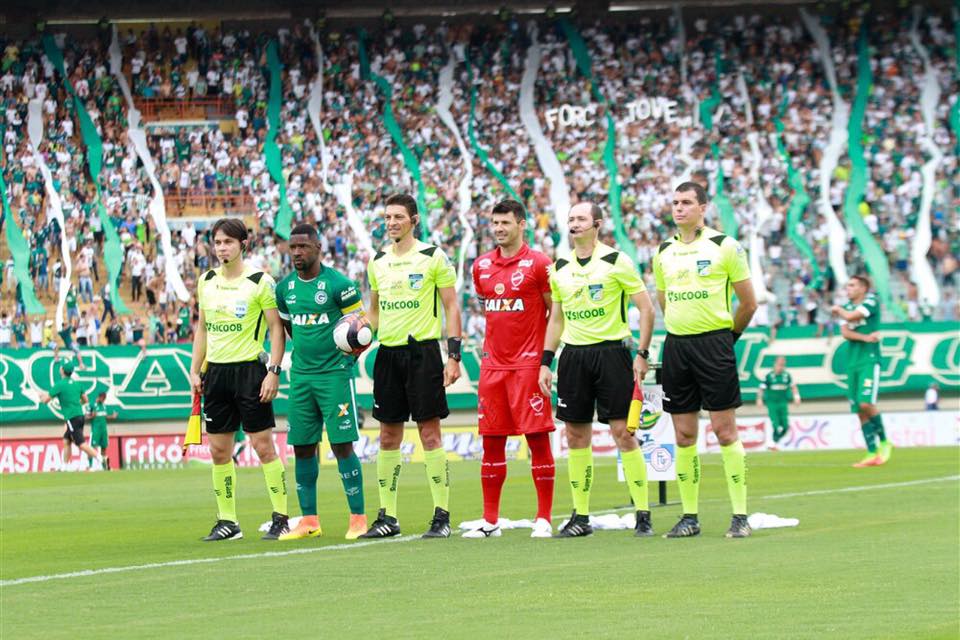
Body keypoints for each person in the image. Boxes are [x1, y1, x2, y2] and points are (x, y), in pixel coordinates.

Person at [538, 202, 655, 538]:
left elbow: (646, 309)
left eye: (580, 219)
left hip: (612, 354)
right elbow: (556, 319)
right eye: (570, 218)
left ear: (597, 224)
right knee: (575, 436)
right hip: (574, 357)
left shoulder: (617, 262)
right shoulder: (559, 267)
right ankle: (581, 517)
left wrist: (642, 353)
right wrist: (547, 361)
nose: (573, 223)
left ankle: (643, 513)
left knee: (623, 433)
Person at [652, 182, 757, 539]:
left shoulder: (724, 246)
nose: (679, 209)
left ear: (702, 207)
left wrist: (729, 338)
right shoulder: (664, 250)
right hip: (677, 346)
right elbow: (663, 301)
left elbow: (748, 303)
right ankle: (689, 517)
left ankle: (740, 515)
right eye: (675, 203)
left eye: (686, 203)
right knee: (683, 434)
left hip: (715, 345)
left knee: (725, 431)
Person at [360, 193, 462, 539]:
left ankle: (442, 515)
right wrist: (358, 336)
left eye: (398, 217)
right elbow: (373, 312)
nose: (391, 223)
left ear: (414, 220)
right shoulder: (377, 261)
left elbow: (451, 306)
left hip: (423, 354)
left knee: (429, 433)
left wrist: (454, 354)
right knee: (388, 436)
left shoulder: (433, 256)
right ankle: (387, 516)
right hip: (388, 355)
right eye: (387, 217)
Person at [189, 218, 288, 542]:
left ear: (242, 244)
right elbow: (202, 328)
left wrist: (273, 370)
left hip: (249, 371)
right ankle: (228, 521)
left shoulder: (260, 281)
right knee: (219, 451)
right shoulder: (206, 281)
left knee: (263, 447)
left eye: (228, 242)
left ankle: (281, 516)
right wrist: (195, 369)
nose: (221, 248)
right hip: (216, 373)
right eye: (217, 242)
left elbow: (276, 328)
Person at [463, 200, 556, 539]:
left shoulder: (540, 264)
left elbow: (553, 314)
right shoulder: (481, 266)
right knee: (491, 441)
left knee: (537, 438)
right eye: (495, 223)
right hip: (492, 367)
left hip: (528, 365)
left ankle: (543, 518)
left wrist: (547, 359)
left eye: (505, 223)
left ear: (522, 224)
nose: (499, 228)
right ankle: (491, 521)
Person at [275, 224, 368, 541]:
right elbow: (290, 330)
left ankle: (358, 518)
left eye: (303, 246)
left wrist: (346, 359)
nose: (297, 252)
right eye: (293, 247)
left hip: (334, 376)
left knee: (342, 445)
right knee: (302, 447)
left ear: (317, 246)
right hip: (301, 377)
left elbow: (362, 329)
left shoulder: (340, 285)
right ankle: (309, 521)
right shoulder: (284, 288)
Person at [831, 275, 893, 467]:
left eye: (852, 285)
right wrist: (865, 338)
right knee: (859, 409)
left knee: (866, 403)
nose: (848, 289)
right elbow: (845, 332)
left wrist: (838, 310)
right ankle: (871, 452)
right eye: (847, 285)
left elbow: (850, 318)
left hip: (869, 360)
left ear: (863, 288)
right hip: (853, 362)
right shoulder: (846, 306)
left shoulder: (871, 301)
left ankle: (884, 441)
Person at [38, 359, 101, 470]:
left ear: (62, 371)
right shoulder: (77, 384)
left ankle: (101, 459)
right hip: (79, 415)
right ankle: (64, 466)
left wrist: (40, 396)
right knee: (66, 440)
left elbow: (46, 401)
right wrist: (75, 403)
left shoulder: (60, 385)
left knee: (81, 444)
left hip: (71, 417)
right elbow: (85, 400)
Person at [757, 356, 800, 450]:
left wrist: (796, 397)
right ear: (775, 364)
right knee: (776, 426)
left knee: (785, 426)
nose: (781, 367)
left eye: (783, 365)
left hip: (783, 403)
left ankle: (772, 443)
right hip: (772, 404)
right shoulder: (769, 376)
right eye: (779, 365)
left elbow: (793, 386)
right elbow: (761, 388)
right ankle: (772, 443)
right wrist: (759, 399)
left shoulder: (786, 376)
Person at [85, 390, 117, 470]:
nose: (103, 400)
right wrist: (92, 416)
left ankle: (105, 467)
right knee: (93, 448)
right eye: (103, 398)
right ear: (99, 397)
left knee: (104, 448)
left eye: (104, 399)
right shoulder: (91, 405)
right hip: (95, 430)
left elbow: (104, 416)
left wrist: (112, 416)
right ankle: (90, 466)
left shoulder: (103, 405)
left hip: (103, 430)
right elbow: (85, 417)